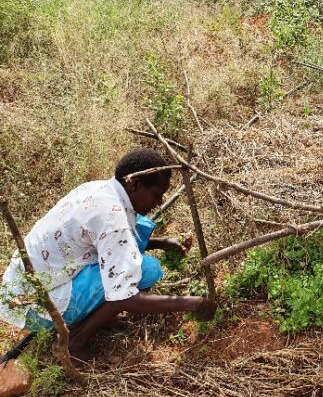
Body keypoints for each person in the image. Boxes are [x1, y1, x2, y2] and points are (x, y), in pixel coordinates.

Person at [0, 148, 216, 359]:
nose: (158, 203)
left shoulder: (99, 189)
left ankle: (97, 315)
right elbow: (125, 295)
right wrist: (191, 303)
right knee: (143, 273)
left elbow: (102, 241)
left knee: (141, 263)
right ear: (135, 185)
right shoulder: (112, 218)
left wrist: (159, 242)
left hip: (18, 290)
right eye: (156, 195)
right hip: (34, 307)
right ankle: (75, 341)